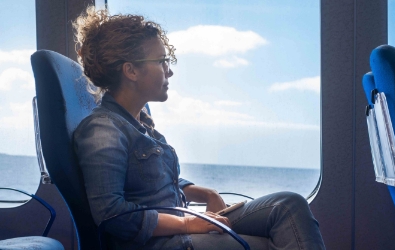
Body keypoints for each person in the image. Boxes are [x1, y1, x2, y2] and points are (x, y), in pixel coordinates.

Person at [72, 6, 325, 250]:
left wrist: (205, 193)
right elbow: (111, 214)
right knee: (270, 244)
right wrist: (188, 223)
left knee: (289, 206)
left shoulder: (141, 123)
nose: (169, 71)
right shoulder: (103, 130)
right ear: (131, 70)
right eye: (161, 62)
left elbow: (152, 181)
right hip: (157, 243)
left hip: (177, 228)